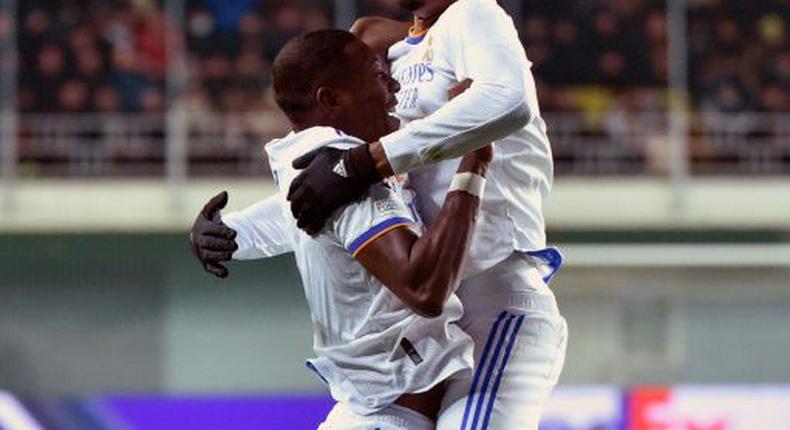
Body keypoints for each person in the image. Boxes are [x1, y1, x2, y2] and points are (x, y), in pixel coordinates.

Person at [192, 0, 568, 428]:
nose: (385, 84)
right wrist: (239, 232)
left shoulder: (473, 15)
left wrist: (365, 162)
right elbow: (335, 197)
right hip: (433, 329)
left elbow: (508, 101)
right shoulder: (392, 52)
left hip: (494, 299)